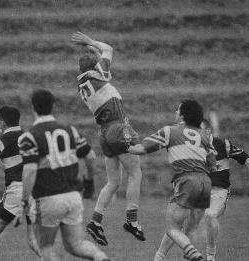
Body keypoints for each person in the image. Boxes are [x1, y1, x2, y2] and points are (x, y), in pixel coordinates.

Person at [18, 89, 112, 261]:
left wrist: (24, 201)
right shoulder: (71, 131)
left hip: (48, 198)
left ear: (32, 108)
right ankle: (101, 257)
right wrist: (89, 181)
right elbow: (90, 156)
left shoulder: (29, 137)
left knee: (45, 246)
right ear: (53, 106)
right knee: (75, 245)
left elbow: (30, 170)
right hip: (73, 196)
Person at [71, 32, 145, 245]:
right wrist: (89, 42)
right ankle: (132, 220)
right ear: (95, 67)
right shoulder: (97, 75)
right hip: (118, 126)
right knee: (135, 173)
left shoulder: (85, 82)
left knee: (113, 181)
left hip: (104, 132)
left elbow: (101, 57)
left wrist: (92, 50)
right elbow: (109, 49)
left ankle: (95, 221)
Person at [153, 119, 249, 261]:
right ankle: (158, 257)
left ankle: (210, 256)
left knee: (210, 215)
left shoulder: (223, 145)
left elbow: (246, 158)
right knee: (176, 223)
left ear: (208, 131)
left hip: (218, 191)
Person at [128, 99, 216, 261]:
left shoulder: (169, 131)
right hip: (206, 183)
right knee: (185, 231)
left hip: (187, 181)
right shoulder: (205, 135)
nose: (176, 112)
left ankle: (195, 255)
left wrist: (127, 146)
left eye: (178, 110)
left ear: (183, 114)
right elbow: (213, 165)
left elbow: (141, 149)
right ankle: (161, 257)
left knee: (172, 227)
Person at [0, 106, 41, 260]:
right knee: (32, 236)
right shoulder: (29, 136)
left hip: (17, 188)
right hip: (36, 189)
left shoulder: (2, 140)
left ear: (4, 122)